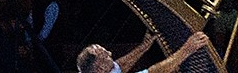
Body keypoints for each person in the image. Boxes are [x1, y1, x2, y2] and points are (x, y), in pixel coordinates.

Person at [77, 30, 213, 73]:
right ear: (100, 68)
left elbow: (119, 67)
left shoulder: (102, 70)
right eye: (105, 55)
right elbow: (155, 72)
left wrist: (144, 47)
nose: (110, 53)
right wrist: (187, 49)